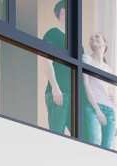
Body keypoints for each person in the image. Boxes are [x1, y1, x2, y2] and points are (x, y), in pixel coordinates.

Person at [81, 33, 117, 149]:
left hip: (110, 111)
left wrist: (115, 124)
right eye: (91, 38)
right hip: (93, 107)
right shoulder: (87, 59)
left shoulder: (108, 69)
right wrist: (97, 110)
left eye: (97, 37)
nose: (93, 38)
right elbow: (86, 85)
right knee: (95, 143)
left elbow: (111, 96)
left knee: (108, 148)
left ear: (104, 43)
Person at [42, 1, 72, 135]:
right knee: (57, 134)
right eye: (65, 11)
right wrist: (55, 88)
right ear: (59, 14)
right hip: (60, 92)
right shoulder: (53, 33)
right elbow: (46, 61)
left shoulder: (77, 42)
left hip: (75, 96)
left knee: (81, 139)